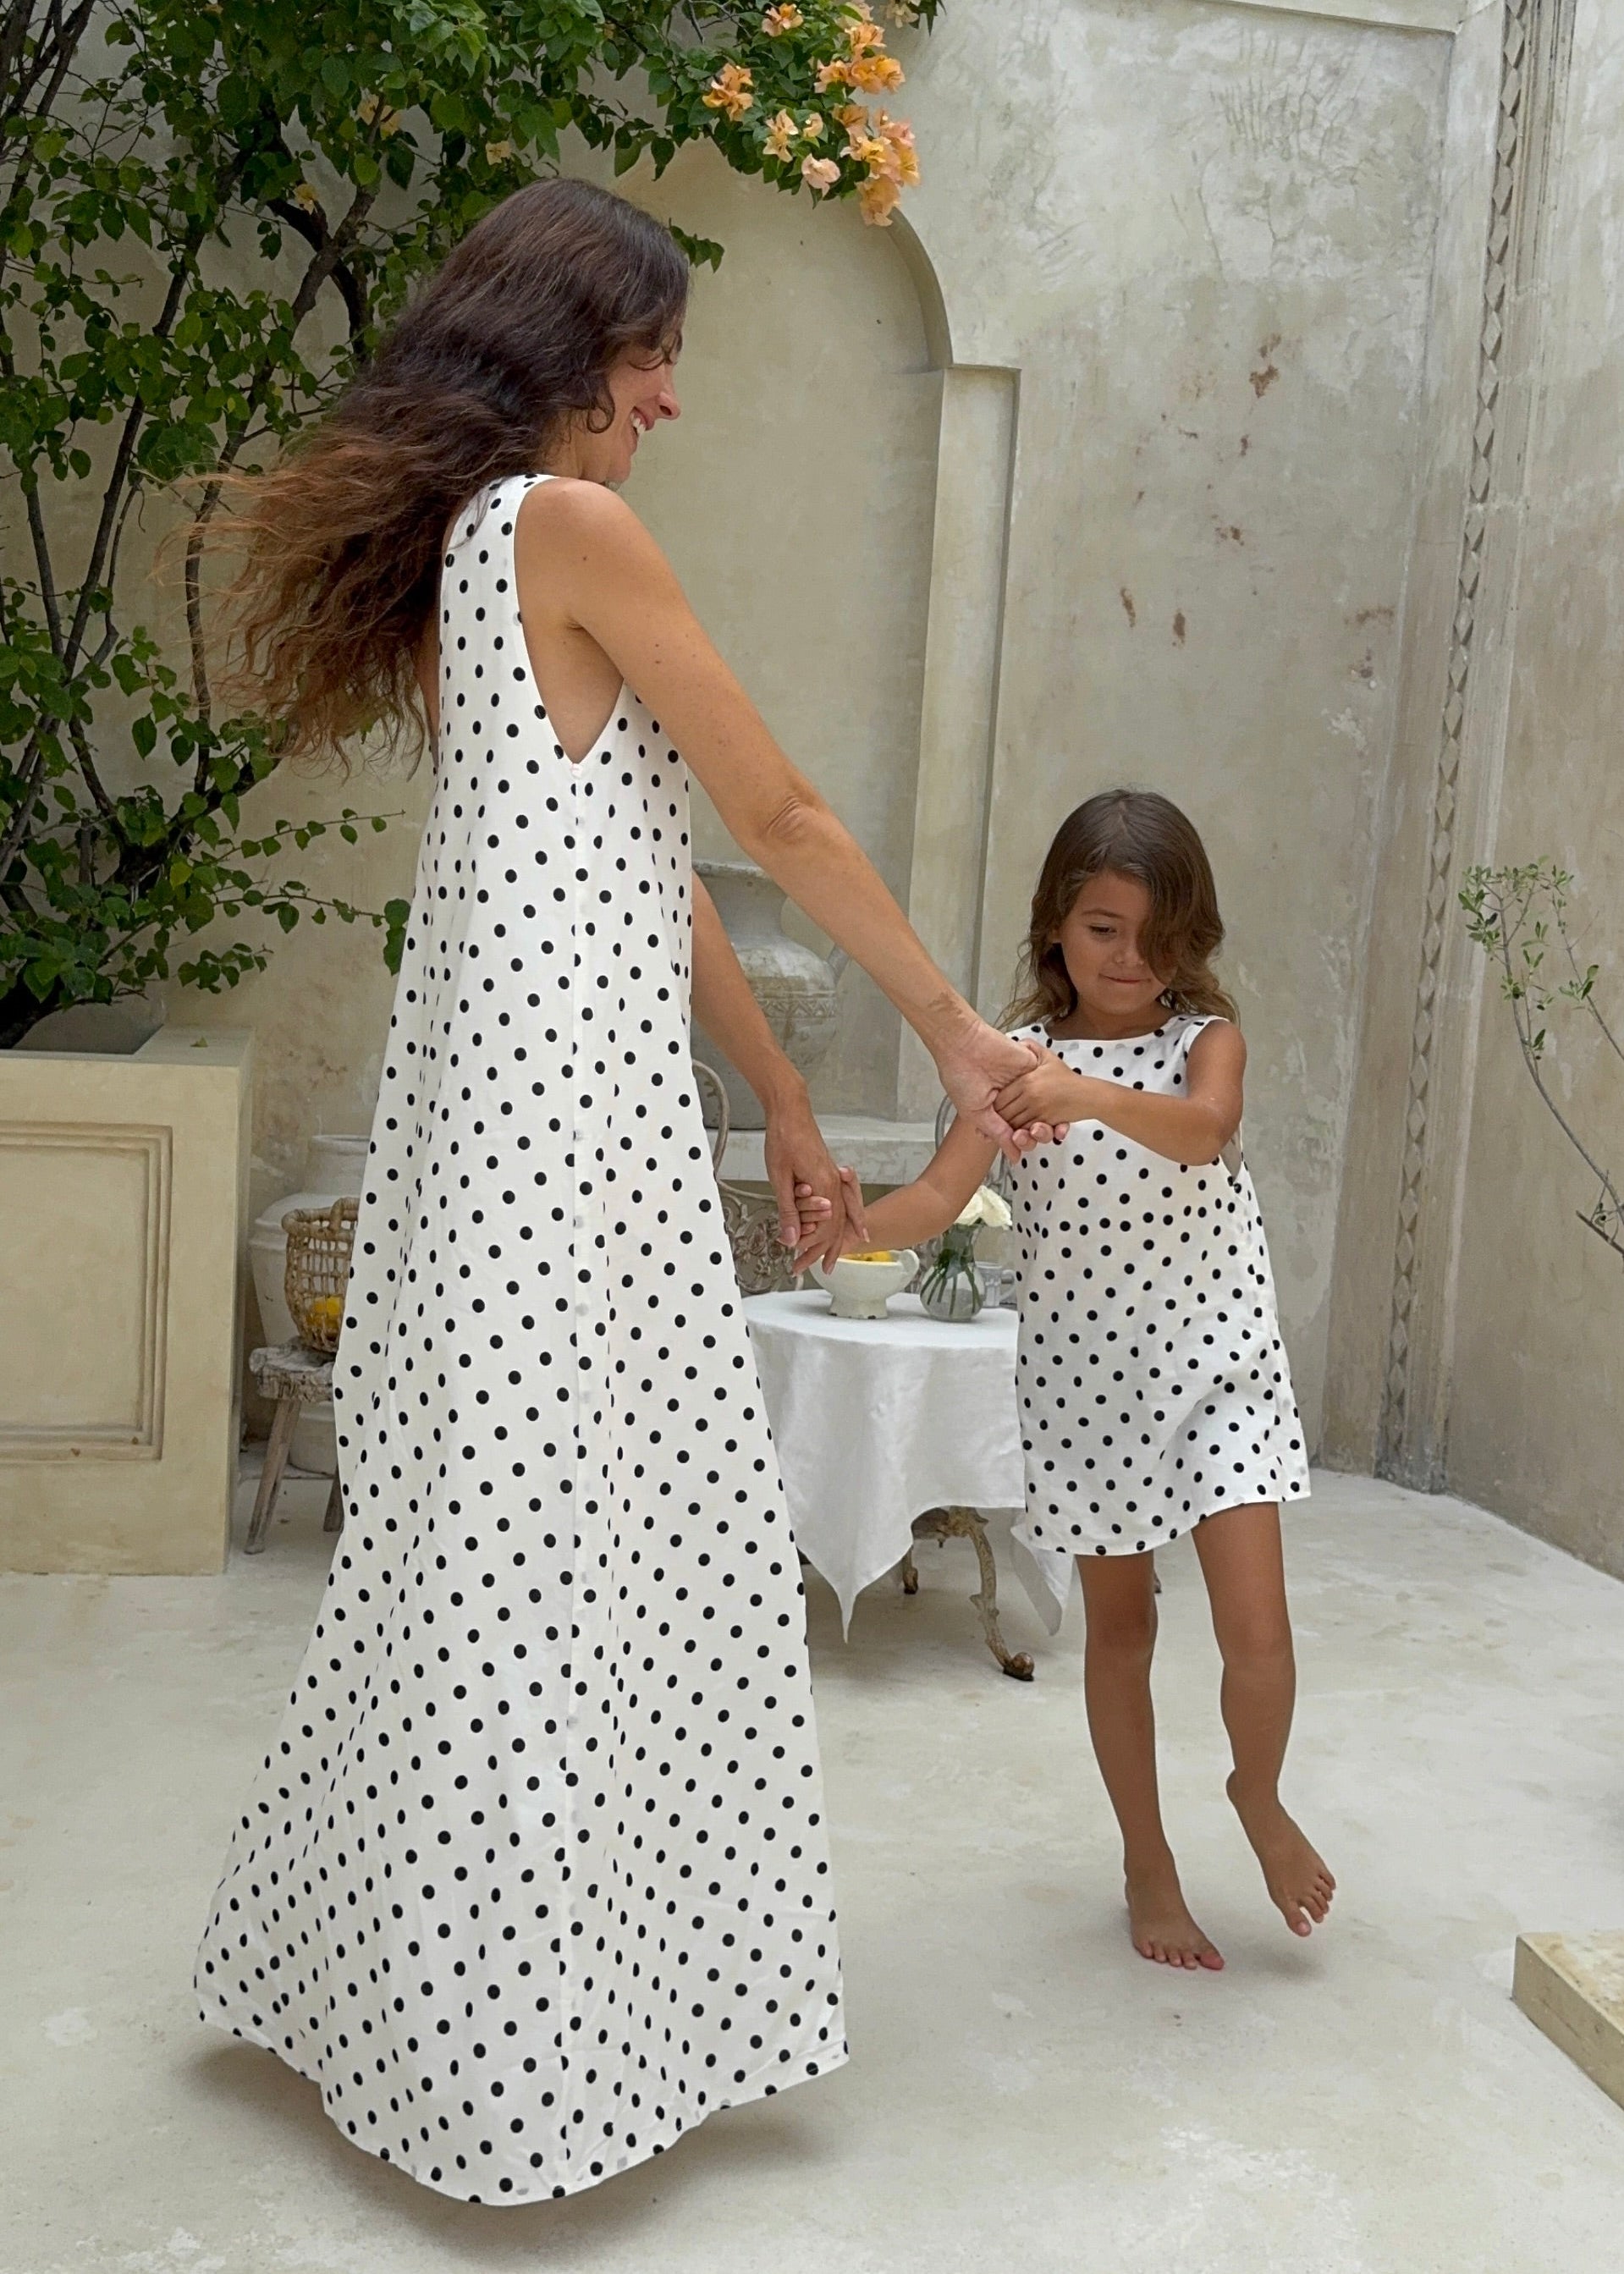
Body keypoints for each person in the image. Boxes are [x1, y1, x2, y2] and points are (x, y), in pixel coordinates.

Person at [192, 177, 1041, 2202]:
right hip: (557, 1145)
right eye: (655, 354)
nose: (668, 397)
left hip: (531, 1127)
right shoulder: (568, 527)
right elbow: (781, 811)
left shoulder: (482, 552)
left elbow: (646, 873)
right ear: (574, 345)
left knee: (515, 1554)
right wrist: (954, 1036)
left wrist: (793, 1114)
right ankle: (510, 2065)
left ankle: (470, 2011)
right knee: (574, 1562)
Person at [839, 790, 1333, 1973]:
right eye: (1104, 927)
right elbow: (935, 1198)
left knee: (1255, 1629)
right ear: (1055, 926)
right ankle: (1146, 1862)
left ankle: (1256, 1795)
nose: (1133, 956)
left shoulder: (1202, 1040)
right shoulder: (1016, 1068)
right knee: (1122, 1629)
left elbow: (1203, 1130)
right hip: (1086, 1391)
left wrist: (1084, 1096)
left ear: (1195, 934)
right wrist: (854, 1221)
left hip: (1220, 1369)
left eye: (1159, 931)